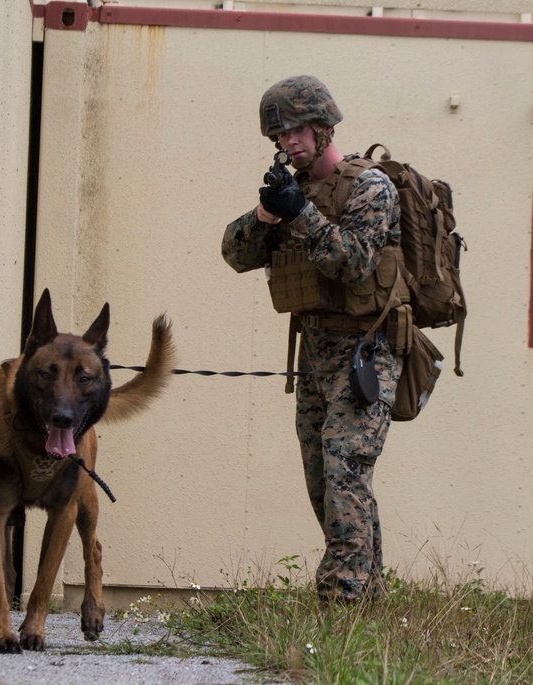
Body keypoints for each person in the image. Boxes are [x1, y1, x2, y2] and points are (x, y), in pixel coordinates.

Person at [221, 75, 403, 602]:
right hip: (315, 356)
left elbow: (353, 263)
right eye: (281, 136)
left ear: (325, 127)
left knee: (346, 467)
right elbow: (236, 255)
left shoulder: (371, 188)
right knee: (325, 481)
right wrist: (265, 214)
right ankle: (369, 597)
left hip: (367, 352)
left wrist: (301, 213)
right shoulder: (294, 191)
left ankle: (340, 603)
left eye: (298, 131)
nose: (290, 143)